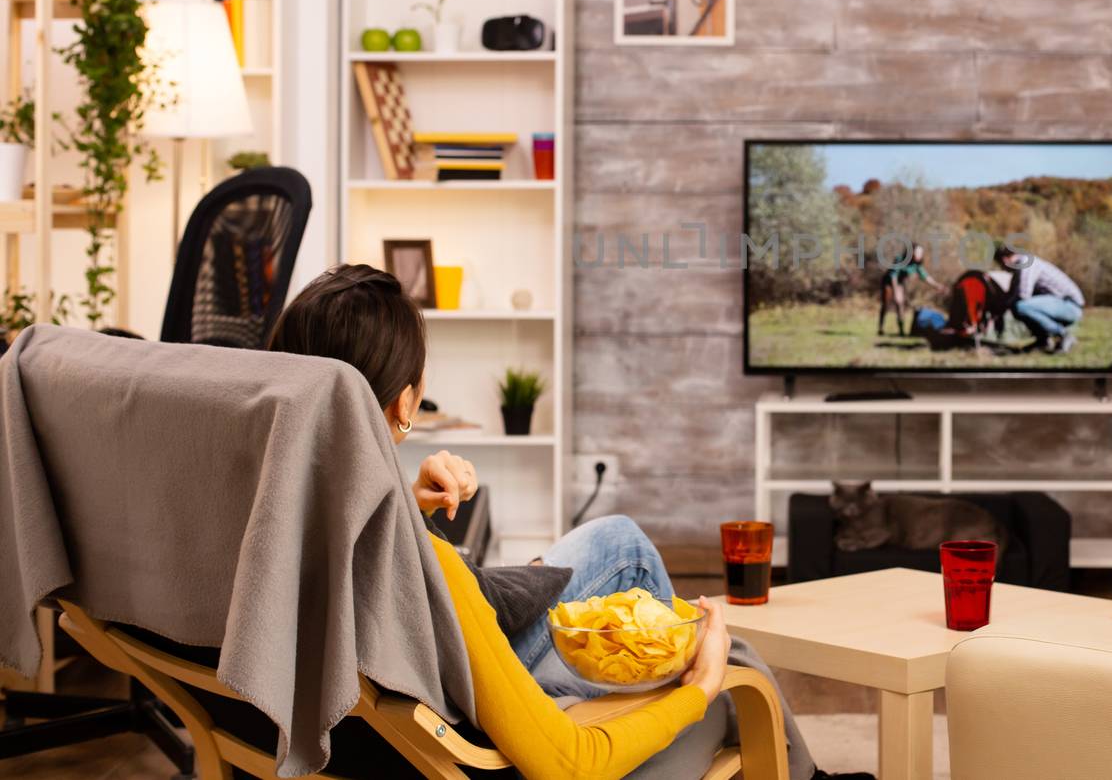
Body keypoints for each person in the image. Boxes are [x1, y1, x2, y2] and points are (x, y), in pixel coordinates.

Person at [268, 265, 868, 780]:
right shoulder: (428, 570)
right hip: (477, 747)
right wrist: (699, 688)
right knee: (733, 662)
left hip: (385, 735)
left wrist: (402, 501)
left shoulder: (259, 523)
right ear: (404, 401)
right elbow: (566, 763)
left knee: (618, 543)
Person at [993, 243, 1085, 354]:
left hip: (1070, 306)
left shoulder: (1026, 264)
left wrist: (1002, 308)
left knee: (1021, 307)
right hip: (1062, 305)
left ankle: (1062, 335)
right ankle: (1043, 341)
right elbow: (1010, 296)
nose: (1003, 269)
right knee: (1017, 307)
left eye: (1000, 265)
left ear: (1004, 260)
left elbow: (1023, 295)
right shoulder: (1020, 268)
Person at [878, 242, 945, 337]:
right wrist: (896, 291)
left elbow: (925, 276)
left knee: (900, 304)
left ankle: (901, 331)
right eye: (917, 253)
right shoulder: (900, 259)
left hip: (900, 282)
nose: (919, 255)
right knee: (886, 304)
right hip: (888, 282)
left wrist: (937, 285)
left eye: (921, 253)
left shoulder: (916, 264)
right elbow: (893, 276)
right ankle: (881, 328)